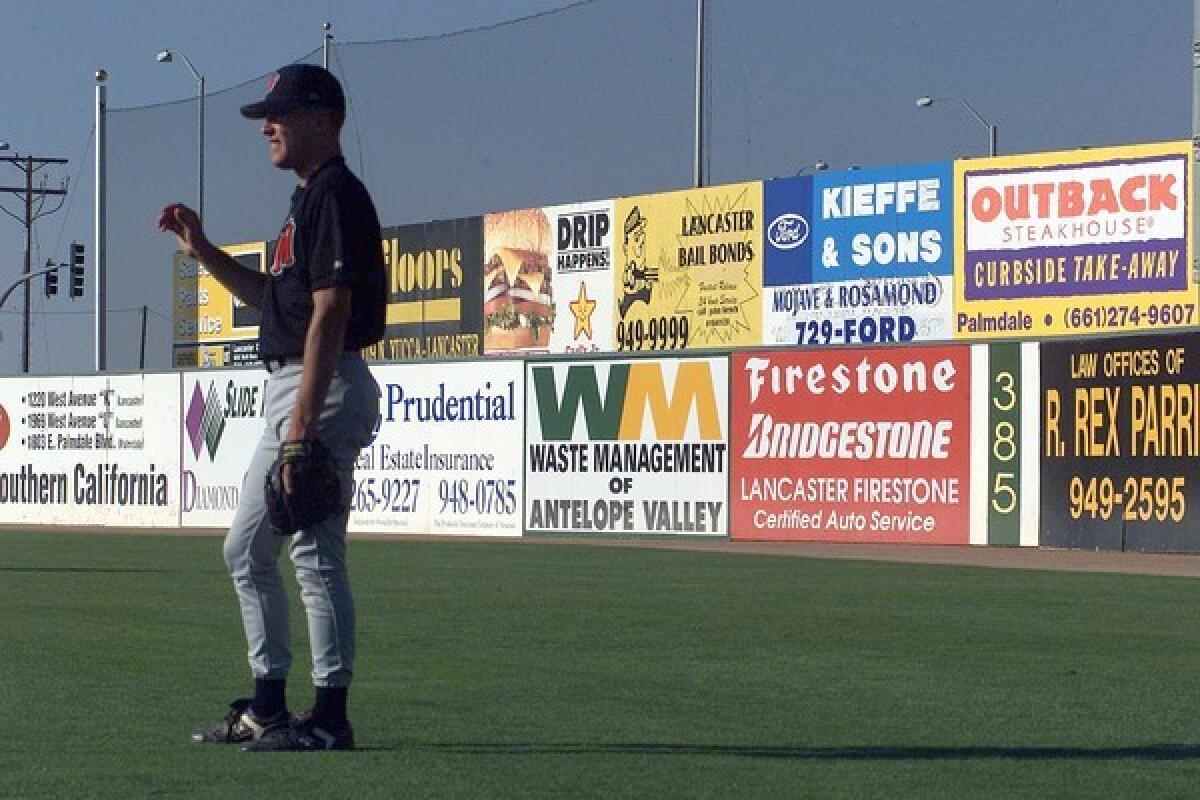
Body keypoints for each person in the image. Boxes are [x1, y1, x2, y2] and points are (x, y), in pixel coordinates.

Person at [158, 63, 386, 752]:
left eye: (280, 113)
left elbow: (331, 313)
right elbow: (276, 300)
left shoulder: (338, 194)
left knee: (315, 557)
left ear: (324, 119)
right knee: (247, 549)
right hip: (293, 387)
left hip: (323, 388)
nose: (268, 124)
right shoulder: (306, 199)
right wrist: (202, 251)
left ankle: (329, 717)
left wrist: (298, 432)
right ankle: (267, 706)